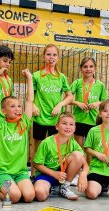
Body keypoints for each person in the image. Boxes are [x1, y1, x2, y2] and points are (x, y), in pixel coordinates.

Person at [0, 66, 35, 204]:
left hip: (20, 173)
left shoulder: (24, 123)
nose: (17, 109)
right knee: (14, 196)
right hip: (2, 173)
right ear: (3, 111)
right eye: (12, 106)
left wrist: (29, 78)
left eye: (18, 106)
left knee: (29, 196)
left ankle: (11, 187)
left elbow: (29, 101)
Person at [32, 44, 73, 175]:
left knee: (55, 148)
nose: (51, 57)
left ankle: (53, 175)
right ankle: (33, 175)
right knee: (38, 146)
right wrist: (32, 105)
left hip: (55, 120)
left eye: (54, 55)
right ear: (44, 57)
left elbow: (70, 96)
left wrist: (60, 105)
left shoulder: (62, 77)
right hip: (40, 118)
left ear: (58, 58)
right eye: (48, 54)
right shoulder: (36, 76)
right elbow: (30, 96)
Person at [33, 112, 89, 201]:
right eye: (64, 123)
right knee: (40, 195)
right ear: (57, 126)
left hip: (64, 175)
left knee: (78, 155)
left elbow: (85, 164)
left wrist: (83, 174)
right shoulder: (47, 143)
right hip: (47, 174)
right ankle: (51, 188)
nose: (68, 127)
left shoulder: (73, 143)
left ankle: (64, 187)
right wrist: (54, 174)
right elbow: (36, 164)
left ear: (74, 128)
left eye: (71, 124)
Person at [70, 57, 108, 147]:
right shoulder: (77, 83)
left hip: (94, 120)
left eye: (91, 66)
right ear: (81, 69)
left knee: (91, 148)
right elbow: (67, 99)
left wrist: (97, 103)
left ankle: (89, 162)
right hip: (79, 119)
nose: (88, 69)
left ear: (95, 68)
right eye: (85, 67)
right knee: (79, 148)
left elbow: (105, 101)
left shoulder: (100, 85)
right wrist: (77, 103)